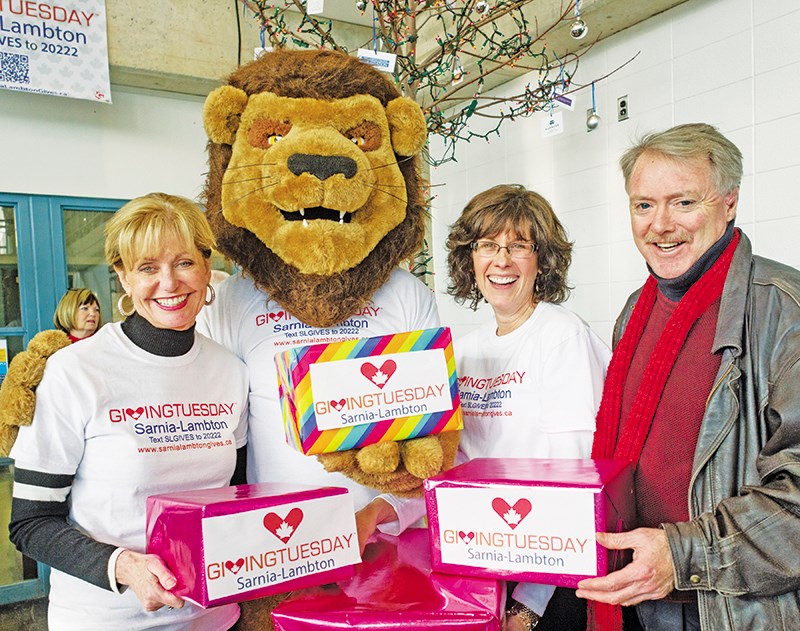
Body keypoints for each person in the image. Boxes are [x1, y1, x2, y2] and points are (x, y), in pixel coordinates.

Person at [574, 123, 800, 631]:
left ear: (729, 202)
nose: (660, 225)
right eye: (643, 205)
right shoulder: (636, 311)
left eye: (683, 202)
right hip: (636, 597)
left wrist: (683, 554)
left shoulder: (784, 310)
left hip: (733, 607)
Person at [359, 184, 611, 631]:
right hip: (479, 563)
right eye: (488, 245)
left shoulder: (561, 337)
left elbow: (577, 480)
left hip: (546, 582)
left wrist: (530, 604)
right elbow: (450, 466)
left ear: (543, 259)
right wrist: (384, 509)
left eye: (519, 247)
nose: (501, 260)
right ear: (469, 257)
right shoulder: (465, 349)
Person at [9, 193, 249, 630]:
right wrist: (124, 567)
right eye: (148, 268)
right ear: (122, 276)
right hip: (109, 620)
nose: (170, 283)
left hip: (215, 618)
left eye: (183, 263)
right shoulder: (75, 369)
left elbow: (238, 493)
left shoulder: (230, 371)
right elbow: (31, 523)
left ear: (206, 265)